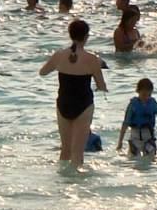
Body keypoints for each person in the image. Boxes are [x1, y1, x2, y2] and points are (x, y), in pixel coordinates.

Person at [39, 19, 108, 166]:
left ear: (70, 35)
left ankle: (62, 183)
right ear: (86, 36)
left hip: (63, 103)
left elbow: (43, 72)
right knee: (77, 153)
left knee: (65, 150)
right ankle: (77, 186)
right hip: (84, 104)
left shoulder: (59, 55)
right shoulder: (93, 59)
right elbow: (101, 85)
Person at [118, 77, 157, 157]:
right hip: (135, 137)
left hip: (148, 136)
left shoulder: (153, 103)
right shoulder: (133, 104)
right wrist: (120, 142)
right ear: (138, 91)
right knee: (134, 162)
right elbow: (126, 123)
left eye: (149, 95)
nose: (146, 97)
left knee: (150, 162)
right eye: (144, 95)